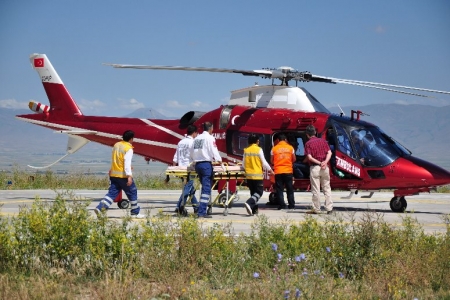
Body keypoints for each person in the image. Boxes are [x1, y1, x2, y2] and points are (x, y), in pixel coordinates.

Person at [95, 130, 144, 218]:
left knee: (112, 193)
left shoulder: (116, 145)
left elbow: (117, 159)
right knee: (132, 192)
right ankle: (135, 212)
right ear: (131, 139)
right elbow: (126, 162)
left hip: (114, 174)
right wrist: (129, 176)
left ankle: (100, 208)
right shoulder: (128, 148)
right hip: (123, 176)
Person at [191, 122, 222, 218]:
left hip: (198, 165)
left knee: (204, 187)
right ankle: (201, 212)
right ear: (211, 128)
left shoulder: (197, 139)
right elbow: (214, 150)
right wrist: (219, 161)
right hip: (205, 165)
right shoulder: (210, 138)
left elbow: (192, 152)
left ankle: (201, 210)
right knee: (206, 189)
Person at [242, 134, 274, 216]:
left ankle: (254, 210)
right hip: (257, 175)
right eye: (258, 140)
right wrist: (270, 170)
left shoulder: (246, 150)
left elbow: (243, 165)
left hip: (249, 176)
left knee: (253, 193)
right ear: (257, 141)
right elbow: (264, 163)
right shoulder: (259, 149)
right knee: (259, 192)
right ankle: (249, 203)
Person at [304, 125, 333, 214]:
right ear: (315, 132)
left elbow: (309, 157)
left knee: (316, 189)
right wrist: (325, 162)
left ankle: (316, 209)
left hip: (315, 168)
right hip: (325, 168)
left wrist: (319, 163)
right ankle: (329, 208)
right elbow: (329, 152)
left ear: (307, 135)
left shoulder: (308, 144)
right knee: (327, 188)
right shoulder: (323, 141)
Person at [173, 125, 199, 215]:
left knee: (190, 188)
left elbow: (176, 156)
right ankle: (179, 206)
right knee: (187, 188)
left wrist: (174, 166)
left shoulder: (181, 142)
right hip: (189, 168)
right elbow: (195, 155)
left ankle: (196, 207)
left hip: (181, 168)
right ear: (194, 132)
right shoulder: (193, 142)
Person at [271, 133, 296, 210]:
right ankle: (291, 205)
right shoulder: (290, 148)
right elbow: (294, 159)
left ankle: (282, 205)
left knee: (279, 189)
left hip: (278, 171)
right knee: (290, 189)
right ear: (285, 140)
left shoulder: (274, 149)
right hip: (288, 171)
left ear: (278, 140)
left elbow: (271, 161)